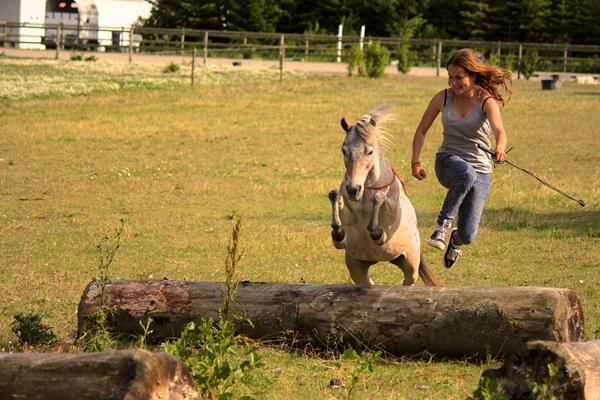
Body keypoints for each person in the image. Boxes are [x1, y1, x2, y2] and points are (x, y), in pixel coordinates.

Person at [410, 48, 512, 268]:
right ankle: (441, 226)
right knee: (466, 174)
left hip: (481, 168)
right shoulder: (443, 97)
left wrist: (500, 148)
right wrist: (415, 161)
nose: (453, 82)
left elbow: (500, 131)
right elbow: (421, 130)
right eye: (450, 77)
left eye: (459, 77)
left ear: (473, 75)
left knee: (469, 235)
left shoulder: (485, 100)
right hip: (448, 160)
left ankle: (455, 240)